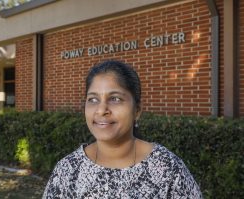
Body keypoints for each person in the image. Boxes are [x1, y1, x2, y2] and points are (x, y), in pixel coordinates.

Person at [42, 60, 202, 198]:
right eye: (93, 99)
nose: (101, 109)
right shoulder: (67, 171)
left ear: (137, 111)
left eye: (115, 99)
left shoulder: (168, 169)